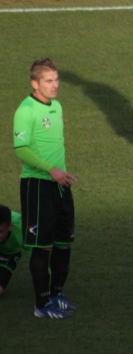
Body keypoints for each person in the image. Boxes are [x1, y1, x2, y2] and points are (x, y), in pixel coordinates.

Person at [13, 59, 78, 319]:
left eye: (56, 79)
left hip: (61, 185)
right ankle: (41, 304)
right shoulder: (26, 110)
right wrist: (50, 169)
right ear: (35, 83)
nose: (55, 85)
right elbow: (21, 149)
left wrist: (59, 173)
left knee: (63, 244)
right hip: (38, 186)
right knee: (42, 247)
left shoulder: (57, 106)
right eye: (49, 81)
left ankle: (56, 294)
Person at [0, 205, 25, 296]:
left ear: (10, 227)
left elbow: (39, 259)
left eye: (0, 231)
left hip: (9, 254)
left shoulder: (22, 231)